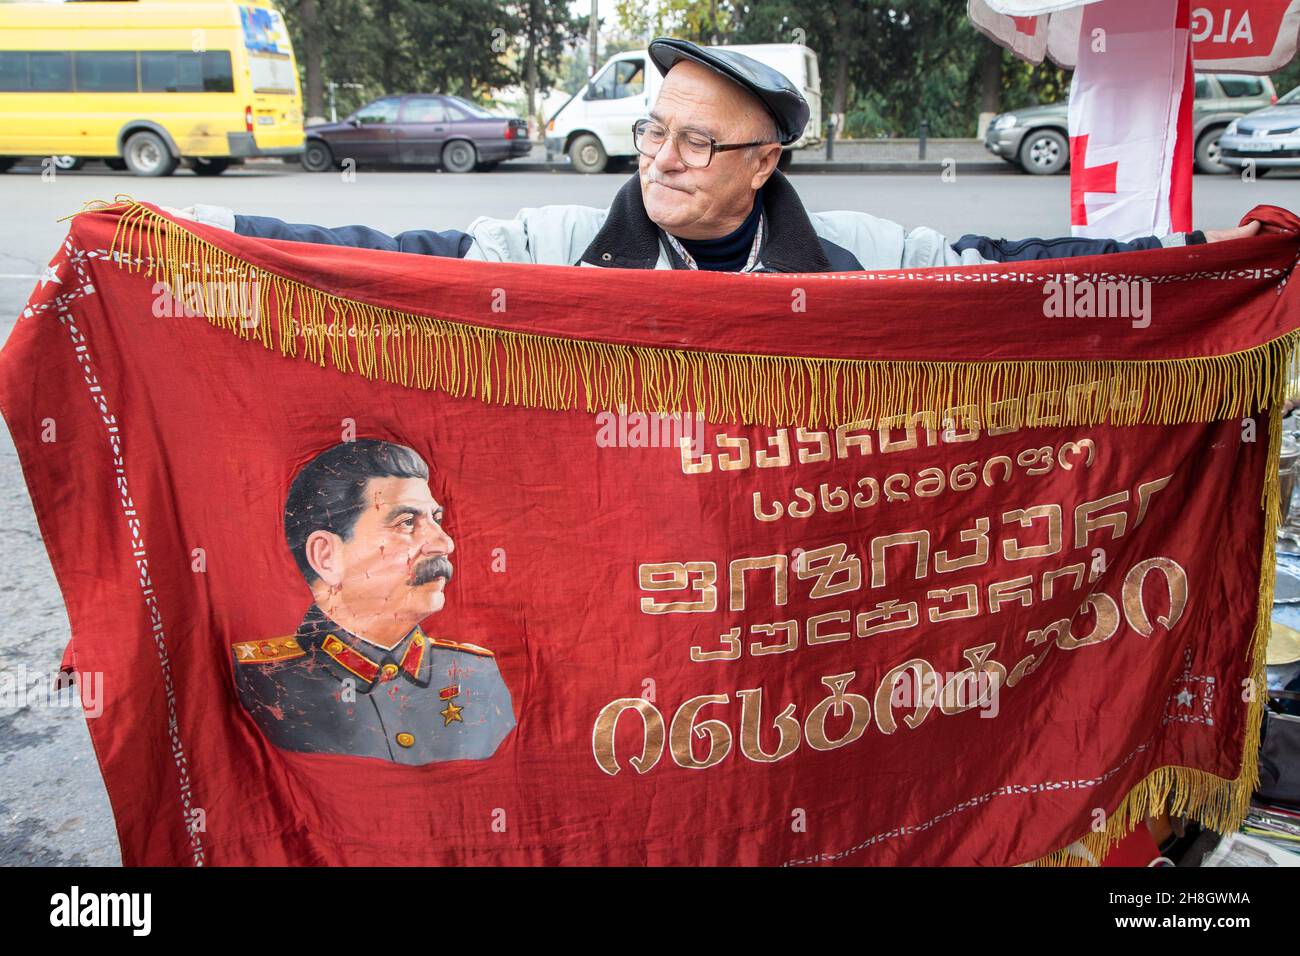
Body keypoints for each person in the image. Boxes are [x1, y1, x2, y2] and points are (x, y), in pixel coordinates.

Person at [171, 36, 1260, 271]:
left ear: (762, 165)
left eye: (698, 142)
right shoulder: (556, 240)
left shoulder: (852, 251)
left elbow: (1005, 267)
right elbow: (387, 249)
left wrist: (1197, 253)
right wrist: (199, 234)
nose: (663, 159)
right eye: (653, 133)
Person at [231, 439, 516, 766]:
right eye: (407, 522)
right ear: (327, 556)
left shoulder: (474, 674)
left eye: (436, 519)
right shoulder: (262, 679)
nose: (444, 543)